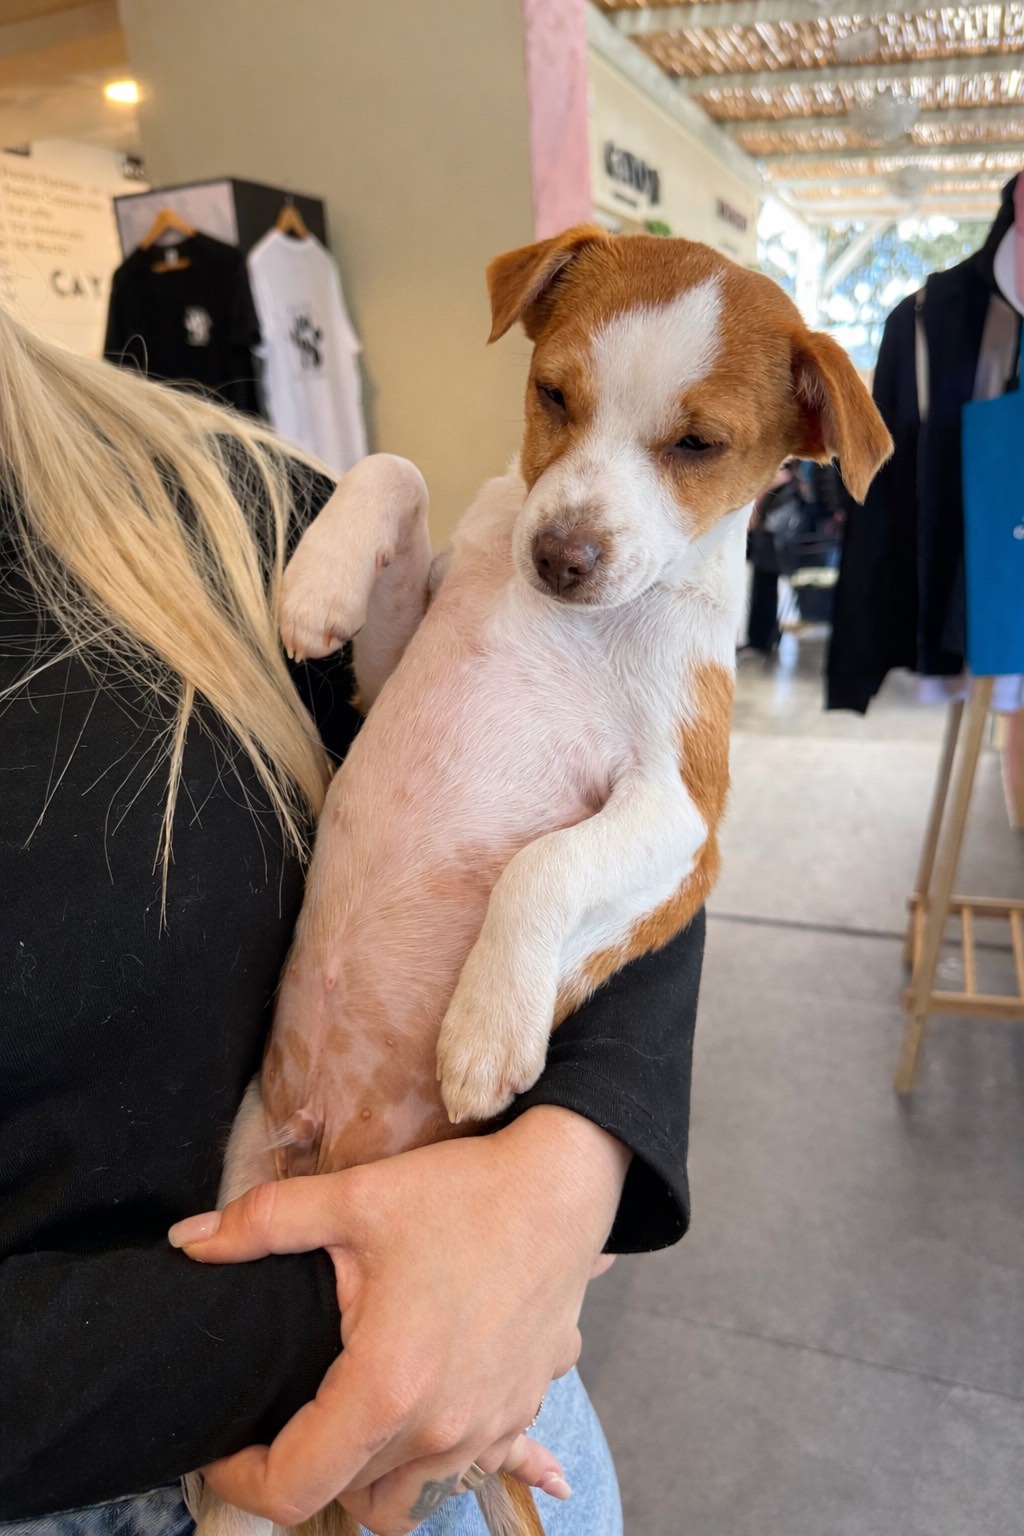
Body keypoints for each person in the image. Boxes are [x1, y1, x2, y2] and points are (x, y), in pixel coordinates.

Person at [0, 303, 704, 1536]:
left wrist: (562, 1173)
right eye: (559, 399)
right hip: (339, 1385)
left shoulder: (208, 486)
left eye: (688, 443)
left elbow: (657, 824)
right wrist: (402, 1302)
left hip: (464, 1395)